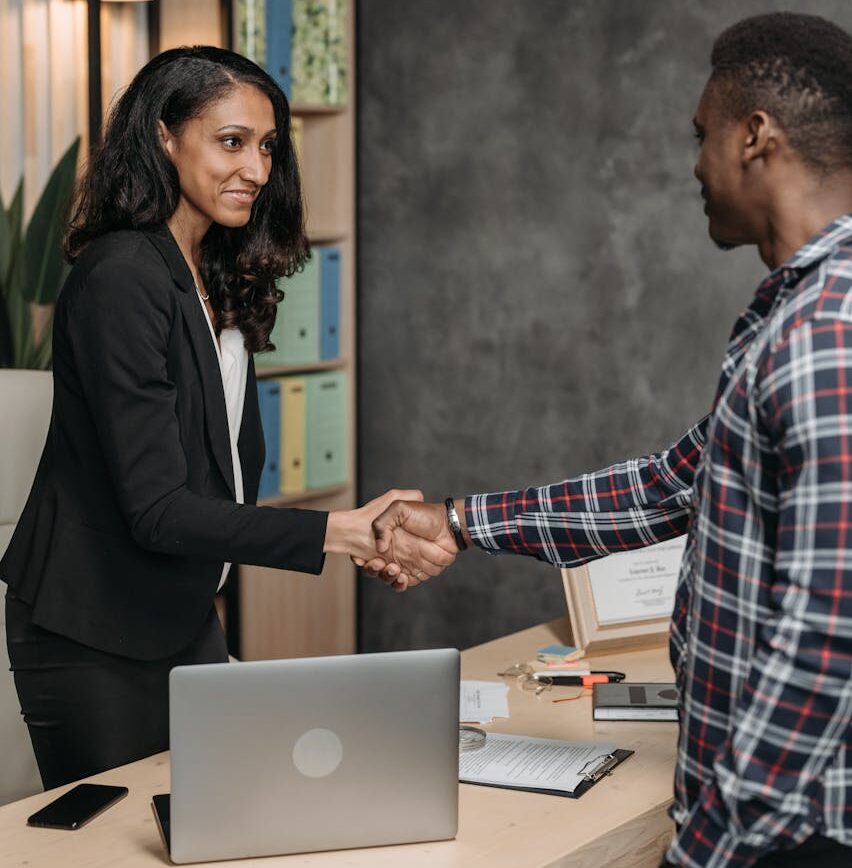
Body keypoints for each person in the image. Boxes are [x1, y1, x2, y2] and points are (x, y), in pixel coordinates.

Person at [362, 13, 852, 868]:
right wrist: (458, 520)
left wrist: (710, 846)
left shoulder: (825, 333)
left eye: (703, 136)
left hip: (787, 838)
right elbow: (669, 486)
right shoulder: (793, 318)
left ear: (755, 137)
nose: (694, 164)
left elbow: (826, 636)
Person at [0, 46, 450, 790]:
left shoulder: (211, 274)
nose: (257, 168)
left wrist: (350, 539)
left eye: (267, 146)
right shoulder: (120, 276)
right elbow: (158, 510)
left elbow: (220, 479)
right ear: (165, 137)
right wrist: (344, 531)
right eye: (231, 141)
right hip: (91, 630)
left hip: (178, 614)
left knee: (223, 822)